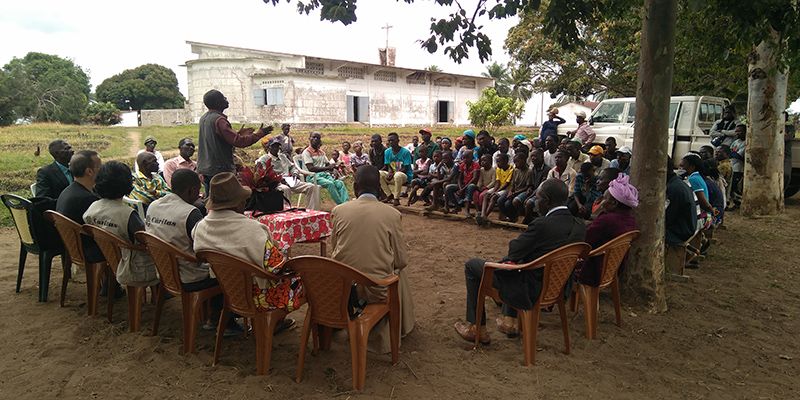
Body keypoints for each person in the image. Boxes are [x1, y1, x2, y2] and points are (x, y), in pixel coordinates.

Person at [454, 179, 586, 342]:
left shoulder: (542, 225)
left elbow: (514, 250)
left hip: (530, 289)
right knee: (521, 260)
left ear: (547, 200)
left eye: (537, 198)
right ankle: (510, 320)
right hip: (558, 287)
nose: (535, 203)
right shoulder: (579, 225)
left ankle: (476, 327)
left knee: (473, 266)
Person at [192, 173, 301, 332]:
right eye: (244, 199)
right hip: (259, 296)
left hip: (226, 291)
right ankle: (276, 322)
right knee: (301, 279)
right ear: (237, 204)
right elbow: (277, 267)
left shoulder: (200, 228)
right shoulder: (253, 230)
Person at [330, 165, 415, 353]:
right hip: (378, 289)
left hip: (345, 288)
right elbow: (401, 261)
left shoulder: (339, 211)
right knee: (399, 273)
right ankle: (397, 328)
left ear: (354, 187)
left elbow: (334, 250)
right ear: (379, 188)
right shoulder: (392, 214)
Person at [83, 161, 158, 287]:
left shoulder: (92, 208)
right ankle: (163, 293)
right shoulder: (127, 214)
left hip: (111, 259)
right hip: (136, 268)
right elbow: (147, 241)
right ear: (127, 183)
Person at [197, 89, 271, 192]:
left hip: (205, 168)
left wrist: (238, 134)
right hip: (219, 170)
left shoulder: (204, 118)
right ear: (218, 102)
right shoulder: (219, 120)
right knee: (225, 201)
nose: (226, 100)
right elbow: (239, 142)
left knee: (212, 201)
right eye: (223, 98)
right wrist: (260, 133)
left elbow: (219, 140)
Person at [579, 174, 639, 286]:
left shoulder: (607, 220)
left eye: (605, 198)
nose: (602, 201)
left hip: (593, 270)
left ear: (614, 203)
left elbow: (585, 241)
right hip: (613, 269)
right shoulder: (630, 219)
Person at [56, 150, 103, 263]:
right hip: (88, 251)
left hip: (72, 247)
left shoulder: (68, 191)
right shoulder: (86, 199)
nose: (103, 171)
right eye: (100, 167)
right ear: (89, 171)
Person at [258, 137, 321, 210]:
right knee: (285, 189)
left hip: (290, 180)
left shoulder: (283, 156)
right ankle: (286, 212)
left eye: (278, 146)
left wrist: (294, 173)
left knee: (311, 187)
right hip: (276, 183)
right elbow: (265, 174)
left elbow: (292, 167)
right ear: (269, 148)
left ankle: (311, 210)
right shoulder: (264, 159)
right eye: (274, 146)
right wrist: (279, 179)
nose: (276, 148)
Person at [301, 132, 349, 204]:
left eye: (318, 138)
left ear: (320, 140)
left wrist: (335, 167)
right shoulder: (307, 152)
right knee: (330, 184)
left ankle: (346, 203)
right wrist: (327, 168)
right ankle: (341, 204)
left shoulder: (322, 152)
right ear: (309, 138)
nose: (315, 139)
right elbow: (311, 168)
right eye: (313, 137)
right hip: (312, 177)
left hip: (324, 175)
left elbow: (328, 164)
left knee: (340, 183)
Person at [665, 157, 697, 247]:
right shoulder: (676, 183)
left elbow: (668, 218)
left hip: (680, 232)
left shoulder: (674, 188)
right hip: (685, 228)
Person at [680, 154, 714, 231]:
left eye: (683, 166)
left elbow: (703, 202)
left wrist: (711, 215)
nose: (681, 168)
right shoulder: (697, 177)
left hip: (703, 218)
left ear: (692, 166)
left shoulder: (693, 179)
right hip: (705, 216)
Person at [380, 132, 413, 206]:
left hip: (404, 176)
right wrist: (390, 172)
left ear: (398, 141)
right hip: (394, 175)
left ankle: (396, 198)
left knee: (397, 175)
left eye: (392, 140)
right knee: (379, 173)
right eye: (389, 141)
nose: (390, 142)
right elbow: (389, 165)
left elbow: (405, 168)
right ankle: (389, 195)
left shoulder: (405, 152)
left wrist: (393, 173)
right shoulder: (387, 152)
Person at [497, 152, 532, 223]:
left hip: (522, 191)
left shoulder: (529, 172)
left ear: (524, 160)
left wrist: (515, 193)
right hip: (514, 191)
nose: (515, 164)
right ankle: (510, 217)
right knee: (500, 200)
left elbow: (527, 187)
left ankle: (517, 216)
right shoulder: (516, 171)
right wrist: (511, 191)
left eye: (517, 162)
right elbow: (513, 184)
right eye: (514, 162)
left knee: (509, 203)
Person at [479, 153, 514, 224]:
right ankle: (482, 214)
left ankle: (485, 215)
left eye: (499, 161)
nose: (497, 164)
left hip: (506, 189)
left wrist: (496, 192)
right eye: (496, 161)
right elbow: (497, 182)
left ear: (505, 161)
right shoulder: (498, 169)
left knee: (493, 197)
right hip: (499, 188)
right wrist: (494, 191)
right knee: (486, 195)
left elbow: (507, 184)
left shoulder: (511, 169)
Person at [445, 148, 480, 215]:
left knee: (470, 187)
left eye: (467, 157)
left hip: (473, 185)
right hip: (464, 185)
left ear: (472, 157)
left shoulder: (476, 165)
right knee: (448, 188)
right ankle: (457, 206)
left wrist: (462, 189)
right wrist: (460, 188)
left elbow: (474, 179)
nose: (465, 159)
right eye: (463, 158)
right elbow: (459, 178)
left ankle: (467, 210)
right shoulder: (462, 165)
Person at [521, 148, 549, 224]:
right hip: (533, 191)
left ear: (542, 157)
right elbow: (531, 183)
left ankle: (528, 220)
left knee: (529, 202)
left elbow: (541, 187)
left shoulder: (547, 170)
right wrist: (530, 188)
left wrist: (530, 196)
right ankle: (528, 218)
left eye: (535, 156)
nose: (533, 158)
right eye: (532, 156)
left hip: (541, 193)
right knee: (517, 200)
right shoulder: (533, 169)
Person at [472, 154, 496, 220]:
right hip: (482, 187)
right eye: (481, 160)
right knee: (475, 193)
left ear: (490, 161)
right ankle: (478, 211)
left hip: (490, 188)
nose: (482, 162)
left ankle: (483, 211)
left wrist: (486, 187)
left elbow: (493, 181)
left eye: (485, 160)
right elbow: (480, 180)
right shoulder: (481, 170)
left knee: (482, 195)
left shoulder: (493, 170)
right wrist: (478, 187)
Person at [728, 124, 746, 208]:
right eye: (736, 131)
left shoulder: (746, 142)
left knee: (736, 187)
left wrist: (732, 153)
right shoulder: (736, 142)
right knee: (731, 186)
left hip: (739, 168)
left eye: (739, 131)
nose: (737, 133)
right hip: (732, 166)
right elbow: (730, 152)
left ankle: (738, 203)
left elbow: (738, 155)